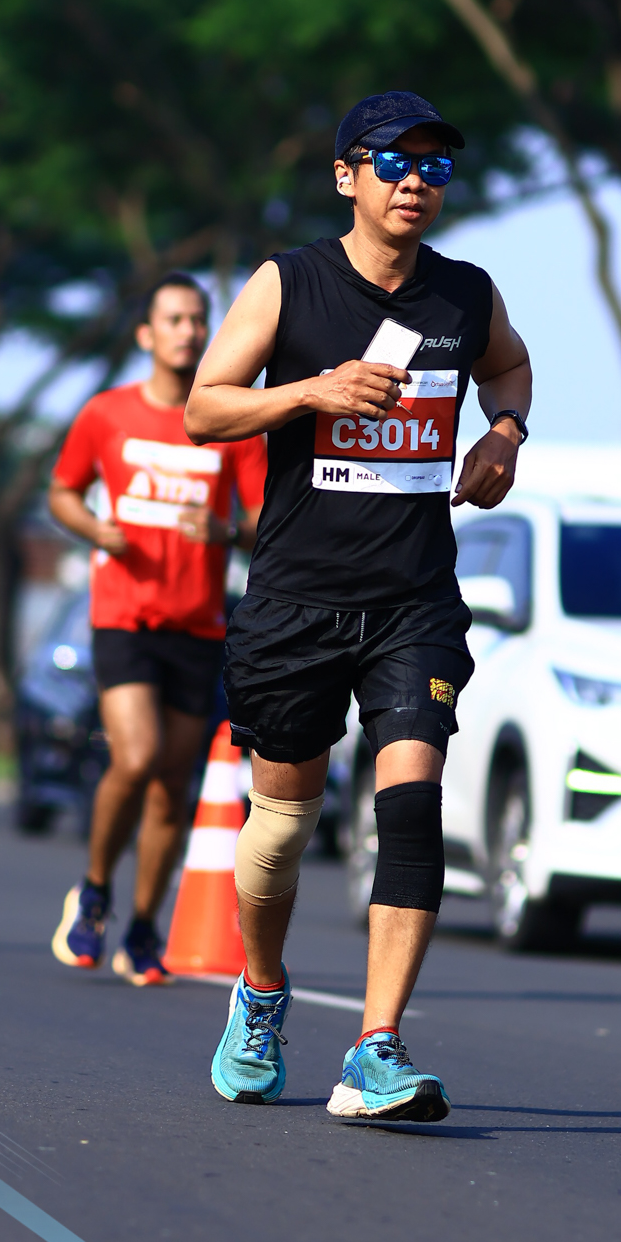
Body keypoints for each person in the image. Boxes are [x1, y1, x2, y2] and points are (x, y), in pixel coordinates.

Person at [186, 90, 531, 1121]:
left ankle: (376, 1046)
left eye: (435, 165)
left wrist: (503, 434)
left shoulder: (464, 294)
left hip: (412, 601)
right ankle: (259, 991)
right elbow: (206, 406)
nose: (416, 181)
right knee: (282, 827)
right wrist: (309, 392)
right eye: (393, 161)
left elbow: (508, 366)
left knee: (410, 807)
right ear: (347, 175)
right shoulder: (288, 283)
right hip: (295, 599)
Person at [48, 273, 267, 985]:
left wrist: (225, 531)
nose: (188, 330)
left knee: (173, 785)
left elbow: (265, 523)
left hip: (198, 625)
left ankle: (142, 928)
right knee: (136, 756)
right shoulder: (107, 413)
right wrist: (96, 530)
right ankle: (94, 891)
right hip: (123, 617)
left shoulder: (230, 419)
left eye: (198, 319)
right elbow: (62, 492)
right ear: (147, 334)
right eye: (173, 319)